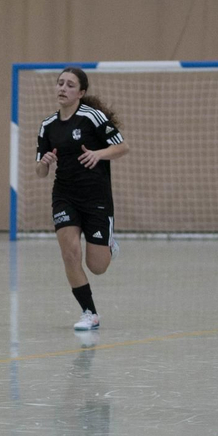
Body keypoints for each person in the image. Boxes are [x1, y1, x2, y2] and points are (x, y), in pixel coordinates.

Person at [35, 66, 129, 331]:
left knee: (97, 266)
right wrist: (44, 161)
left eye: (70, 85)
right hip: (64, 196)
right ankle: (89, 313)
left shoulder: (92, 117)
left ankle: (107, 244)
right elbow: (40, 172)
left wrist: (99, 154)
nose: (62, 88)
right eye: (60, 83)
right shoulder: (47, 125)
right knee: (70, 253)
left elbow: (123, 147)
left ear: (81, 92)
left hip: (96, 196)